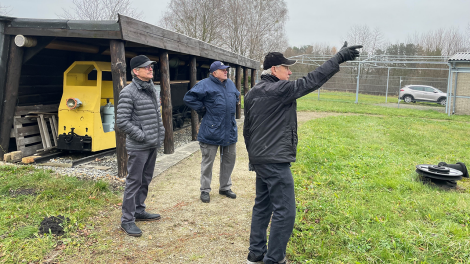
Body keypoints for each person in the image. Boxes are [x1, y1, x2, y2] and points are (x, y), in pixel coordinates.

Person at [244, 42, 362, 264]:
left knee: (262, 206)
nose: (289, 72)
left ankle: (255, 254)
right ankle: (274, 258)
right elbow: (311, 80)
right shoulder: (279, 90)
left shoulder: (252, 93)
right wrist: (337, 59)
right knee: (285, 211)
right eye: (286, 68)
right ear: (274, 70)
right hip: (276, 162)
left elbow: (247, 130)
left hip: (261, 160)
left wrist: (254, 158)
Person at [116, 55, 165, 237]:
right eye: (146, 67)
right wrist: (142, 135)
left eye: (151, 66)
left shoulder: (151, 88)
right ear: (136, 71)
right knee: (134, 181)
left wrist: (158, 133)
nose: (151, 69)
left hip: (152, 143)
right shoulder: (128, 92)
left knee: (146, 179)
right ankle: (127, 221)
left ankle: (139, 210)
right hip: (139, 146)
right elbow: (122, 121)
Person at [183, 61, 240, 203]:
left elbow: (237, 96)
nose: (226, 71)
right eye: (222, 70)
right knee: (208, 162)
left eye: (226, 69)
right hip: (211, 130)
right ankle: (205, 190)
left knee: (229, 161)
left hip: (229, 130)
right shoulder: (205, 84)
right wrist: (202, 109)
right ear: (214, 73)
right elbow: (188, 98)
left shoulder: (230, 84)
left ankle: (225, 187)